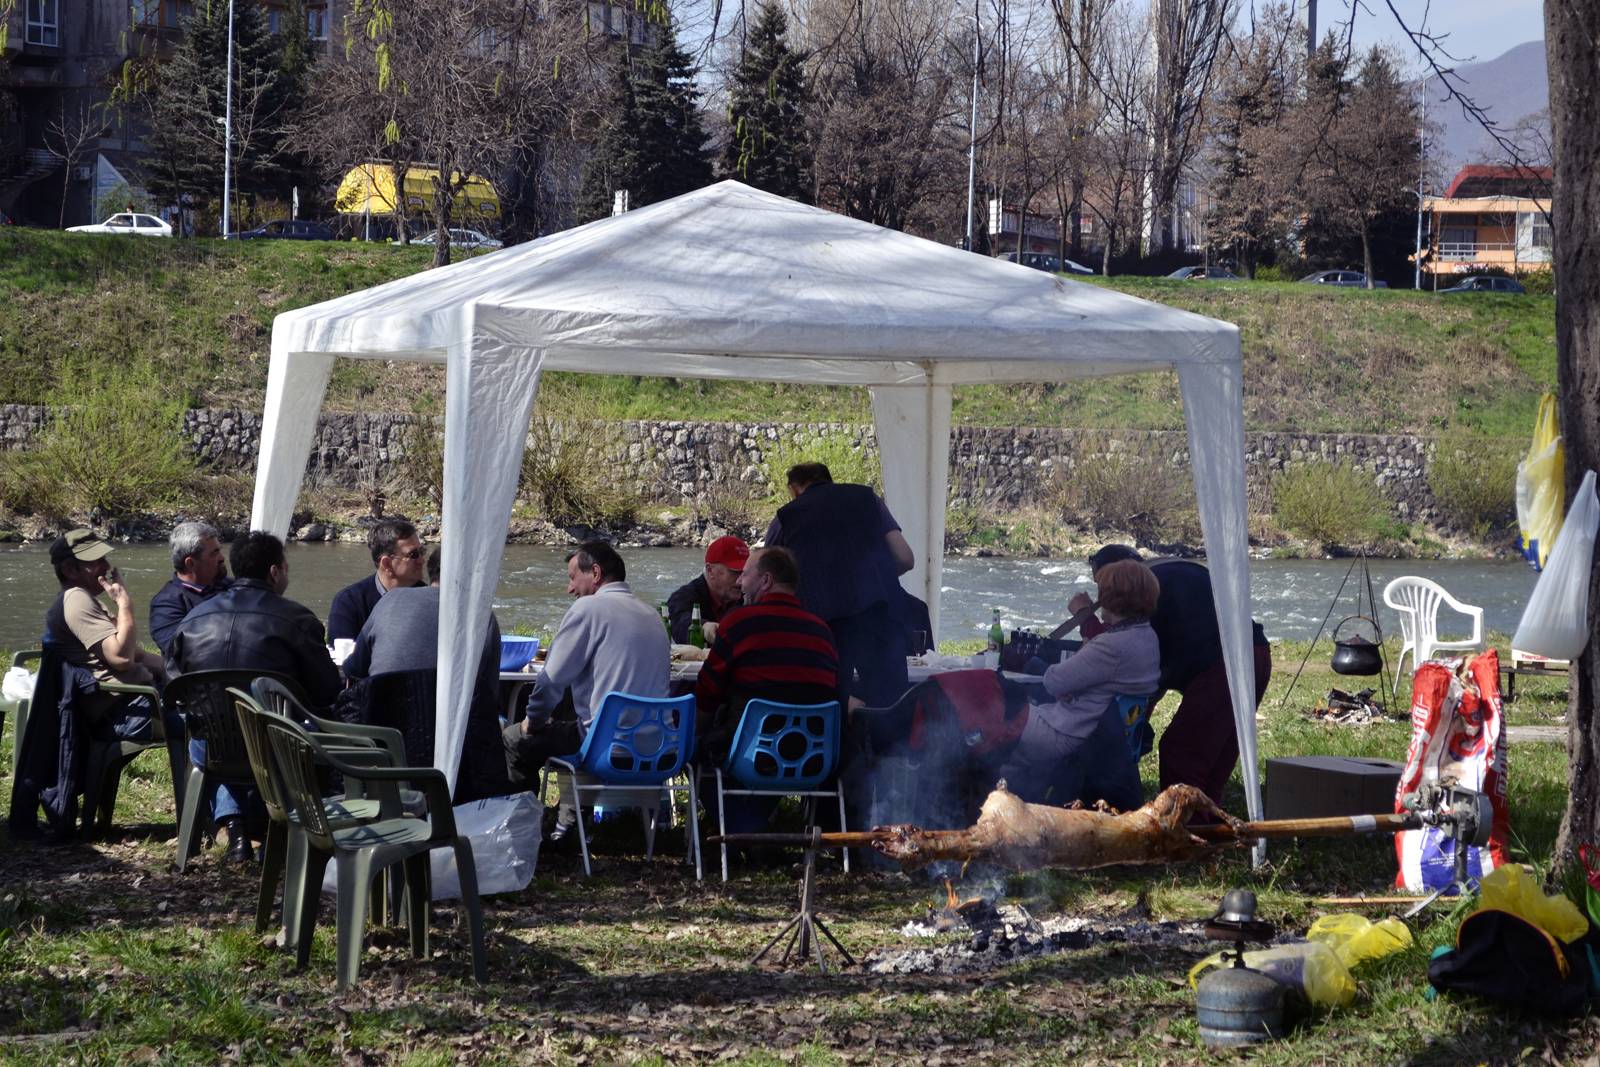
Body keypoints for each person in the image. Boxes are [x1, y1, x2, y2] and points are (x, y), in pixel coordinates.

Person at [166, 532, 343, 860]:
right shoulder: (297, 619)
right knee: (310, 725)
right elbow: (327, 690)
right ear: (274, 572)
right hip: (279, 749)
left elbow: (176, 685)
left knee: (230, 724)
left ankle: (236, 827)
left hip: (212, 748)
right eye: (286, 568)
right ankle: (286, 831)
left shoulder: (193, 619)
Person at [1074, 544, 1273, 805]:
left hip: (1223, 665)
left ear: (1122, 577)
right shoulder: (1166, 573)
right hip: (1255, 654)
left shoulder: (1143, 592)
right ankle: (1208, 821)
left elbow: (1114, 649)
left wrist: (1085, 617)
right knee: (1212, 764)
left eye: (1105, 587)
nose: (1104, 600)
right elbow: (1154, 667)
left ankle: (1185, 824)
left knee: (1182, 755)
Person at [501, 541, 669, 837]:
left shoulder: (588, 608)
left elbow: (550, 681)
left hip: (606, 746)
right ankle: (572, 823)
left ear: (595, 573)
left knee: (514, 740)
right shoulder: (651, 614)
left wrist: (533, 721)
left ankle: (520, 835)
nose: (570, 589)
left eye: (572, 577)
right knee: (576, 726)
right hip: (659, 748)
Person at [341, 547, 512, 800]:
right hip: (450, 756)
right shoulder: (480, 617)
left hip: (383, 747)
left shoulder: (389, 601)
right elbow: (486, 696)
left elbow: (354, 670)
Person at [994, 560, 1157, 810]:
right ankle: (1021, 798)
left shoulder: (1112, 645)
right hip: (1104, 734)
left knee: (992, 714)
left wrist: (1083, 654)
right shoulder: (1146, 636)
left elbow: (1053, 681)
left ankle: (978, 796)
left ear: (1110, 598)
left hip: (1066, 732)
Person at [41, 528, 186, 801]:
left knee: (212, 711)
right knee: (210, 725)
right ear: (70, 570)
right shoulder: (76, 599)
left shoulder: (87, 600)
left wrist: (184, 676)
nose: (107, 567)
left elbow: (139, 655)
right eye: (96, 562)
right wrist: (125, 604)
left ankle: (210, 811)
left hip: (135, 705)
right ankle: (210, 814)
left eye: (105, 558)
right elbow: (121, 658)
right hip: (125, 713)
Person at [764, 462, 914, 707]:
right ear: (829, 480)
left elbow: (767, 574)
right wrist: (879, 578)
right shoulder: (868, 499)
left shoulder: (787, 516)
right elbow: (905, 558)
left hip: (822, 628)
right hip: (879, 615)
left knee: (830, 703)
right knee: (890, 706)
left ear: (794, 489)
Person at [692, 547, 840, 764]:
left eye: (745, 574)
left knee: (696, 745)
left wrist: (693, 733)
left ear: (766, 581)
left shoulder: (739, 623)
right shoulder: (822, 632)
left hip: (748, 757)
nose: (739, 582)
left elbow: (706, 696)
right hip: (811, 758)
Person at [326, 518, 426, 643]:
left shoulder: (428, 598)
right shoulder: (349, 602)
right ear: (387, 564)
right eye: (413, 555)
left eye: (422, 551)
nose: (422, 560)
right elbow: (341, 652)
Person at [149, 521, 231, 658]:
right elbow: (179, 650)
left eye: (219, 550)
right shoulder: (166, 604)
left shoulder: (233, 586)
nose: (222, 558)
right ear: (191, 563)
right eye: (214, 553)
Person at [666, 535, 749, 644]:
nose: (741, 580)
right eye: (735, 572)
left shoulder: (749, 597)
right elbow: (679, 621)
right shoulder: (683, 597)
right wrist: (704, 627)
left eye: (745, 572)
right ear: (710, 570)